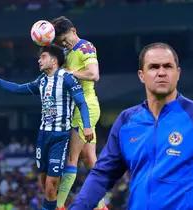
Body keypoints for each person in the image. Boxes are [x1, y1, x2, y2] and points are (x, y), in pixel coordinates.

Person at [69, 42, 193, 209]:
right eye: (153, 67)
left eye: (167, 66)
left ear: (178, 73)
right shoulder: (126, 121)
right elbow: (102, 175)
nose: (161, 72)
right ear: (141, 75)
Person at [0, 46, 93, 210]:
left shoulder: (67, 78)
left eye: (43, 57)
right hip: (43, 136)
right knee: (44, 183)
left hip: (60, 137)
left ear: (53, 60)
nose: (39, 60)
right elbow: (18, 89)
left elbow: (82, 103)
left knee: (52, 183)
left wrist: (87, 126)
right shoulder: (42, 81)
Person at [50, 16, 106, 210]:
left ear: (73, 30)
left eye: (65, 39)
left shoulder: (86, 47)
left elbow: (94, 74)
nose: (64, 43)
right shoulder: (68, 52)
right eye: (60, 42)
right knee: (89, 160)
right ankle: (101, 206)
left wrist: (70, 73)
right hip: (80, 108)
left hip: (86, 108)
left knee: (71, 159)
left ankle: (58, 205)